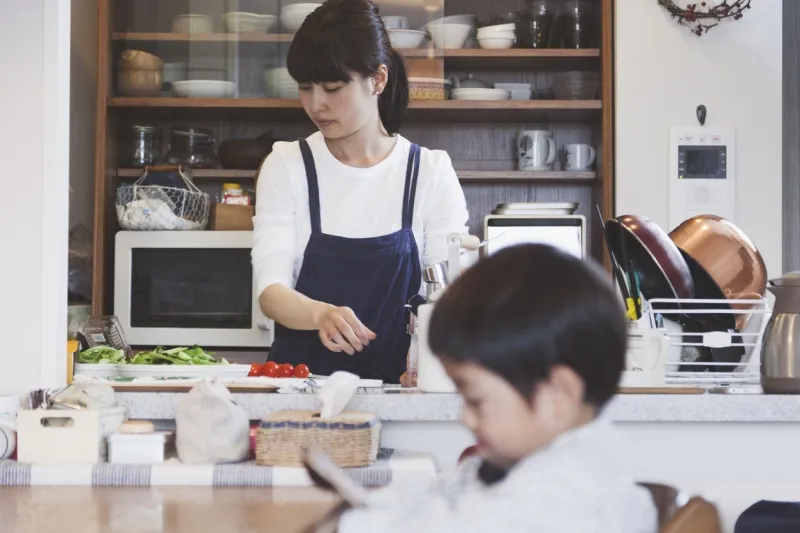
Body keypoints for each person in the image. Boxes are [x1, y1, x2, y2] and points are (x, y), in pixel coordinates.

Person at [335, 244, 658, 533]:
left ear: (558, 395)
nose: (466, 418)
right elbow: (439, 491)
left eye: (476, 401)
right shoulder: (519, 461)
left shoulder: (563, 499)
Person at [251, 0, 469, 383]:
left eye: (333, 88)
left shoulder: (429, 172)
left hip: (398, 394)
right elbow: (271, 291)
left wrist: (429, 362)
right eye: (305, 87)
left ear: (378, 80)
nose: (316, 104)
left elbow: (449, 299)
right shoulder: (287, 165)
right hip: (301, 395)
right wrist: (320, 314)